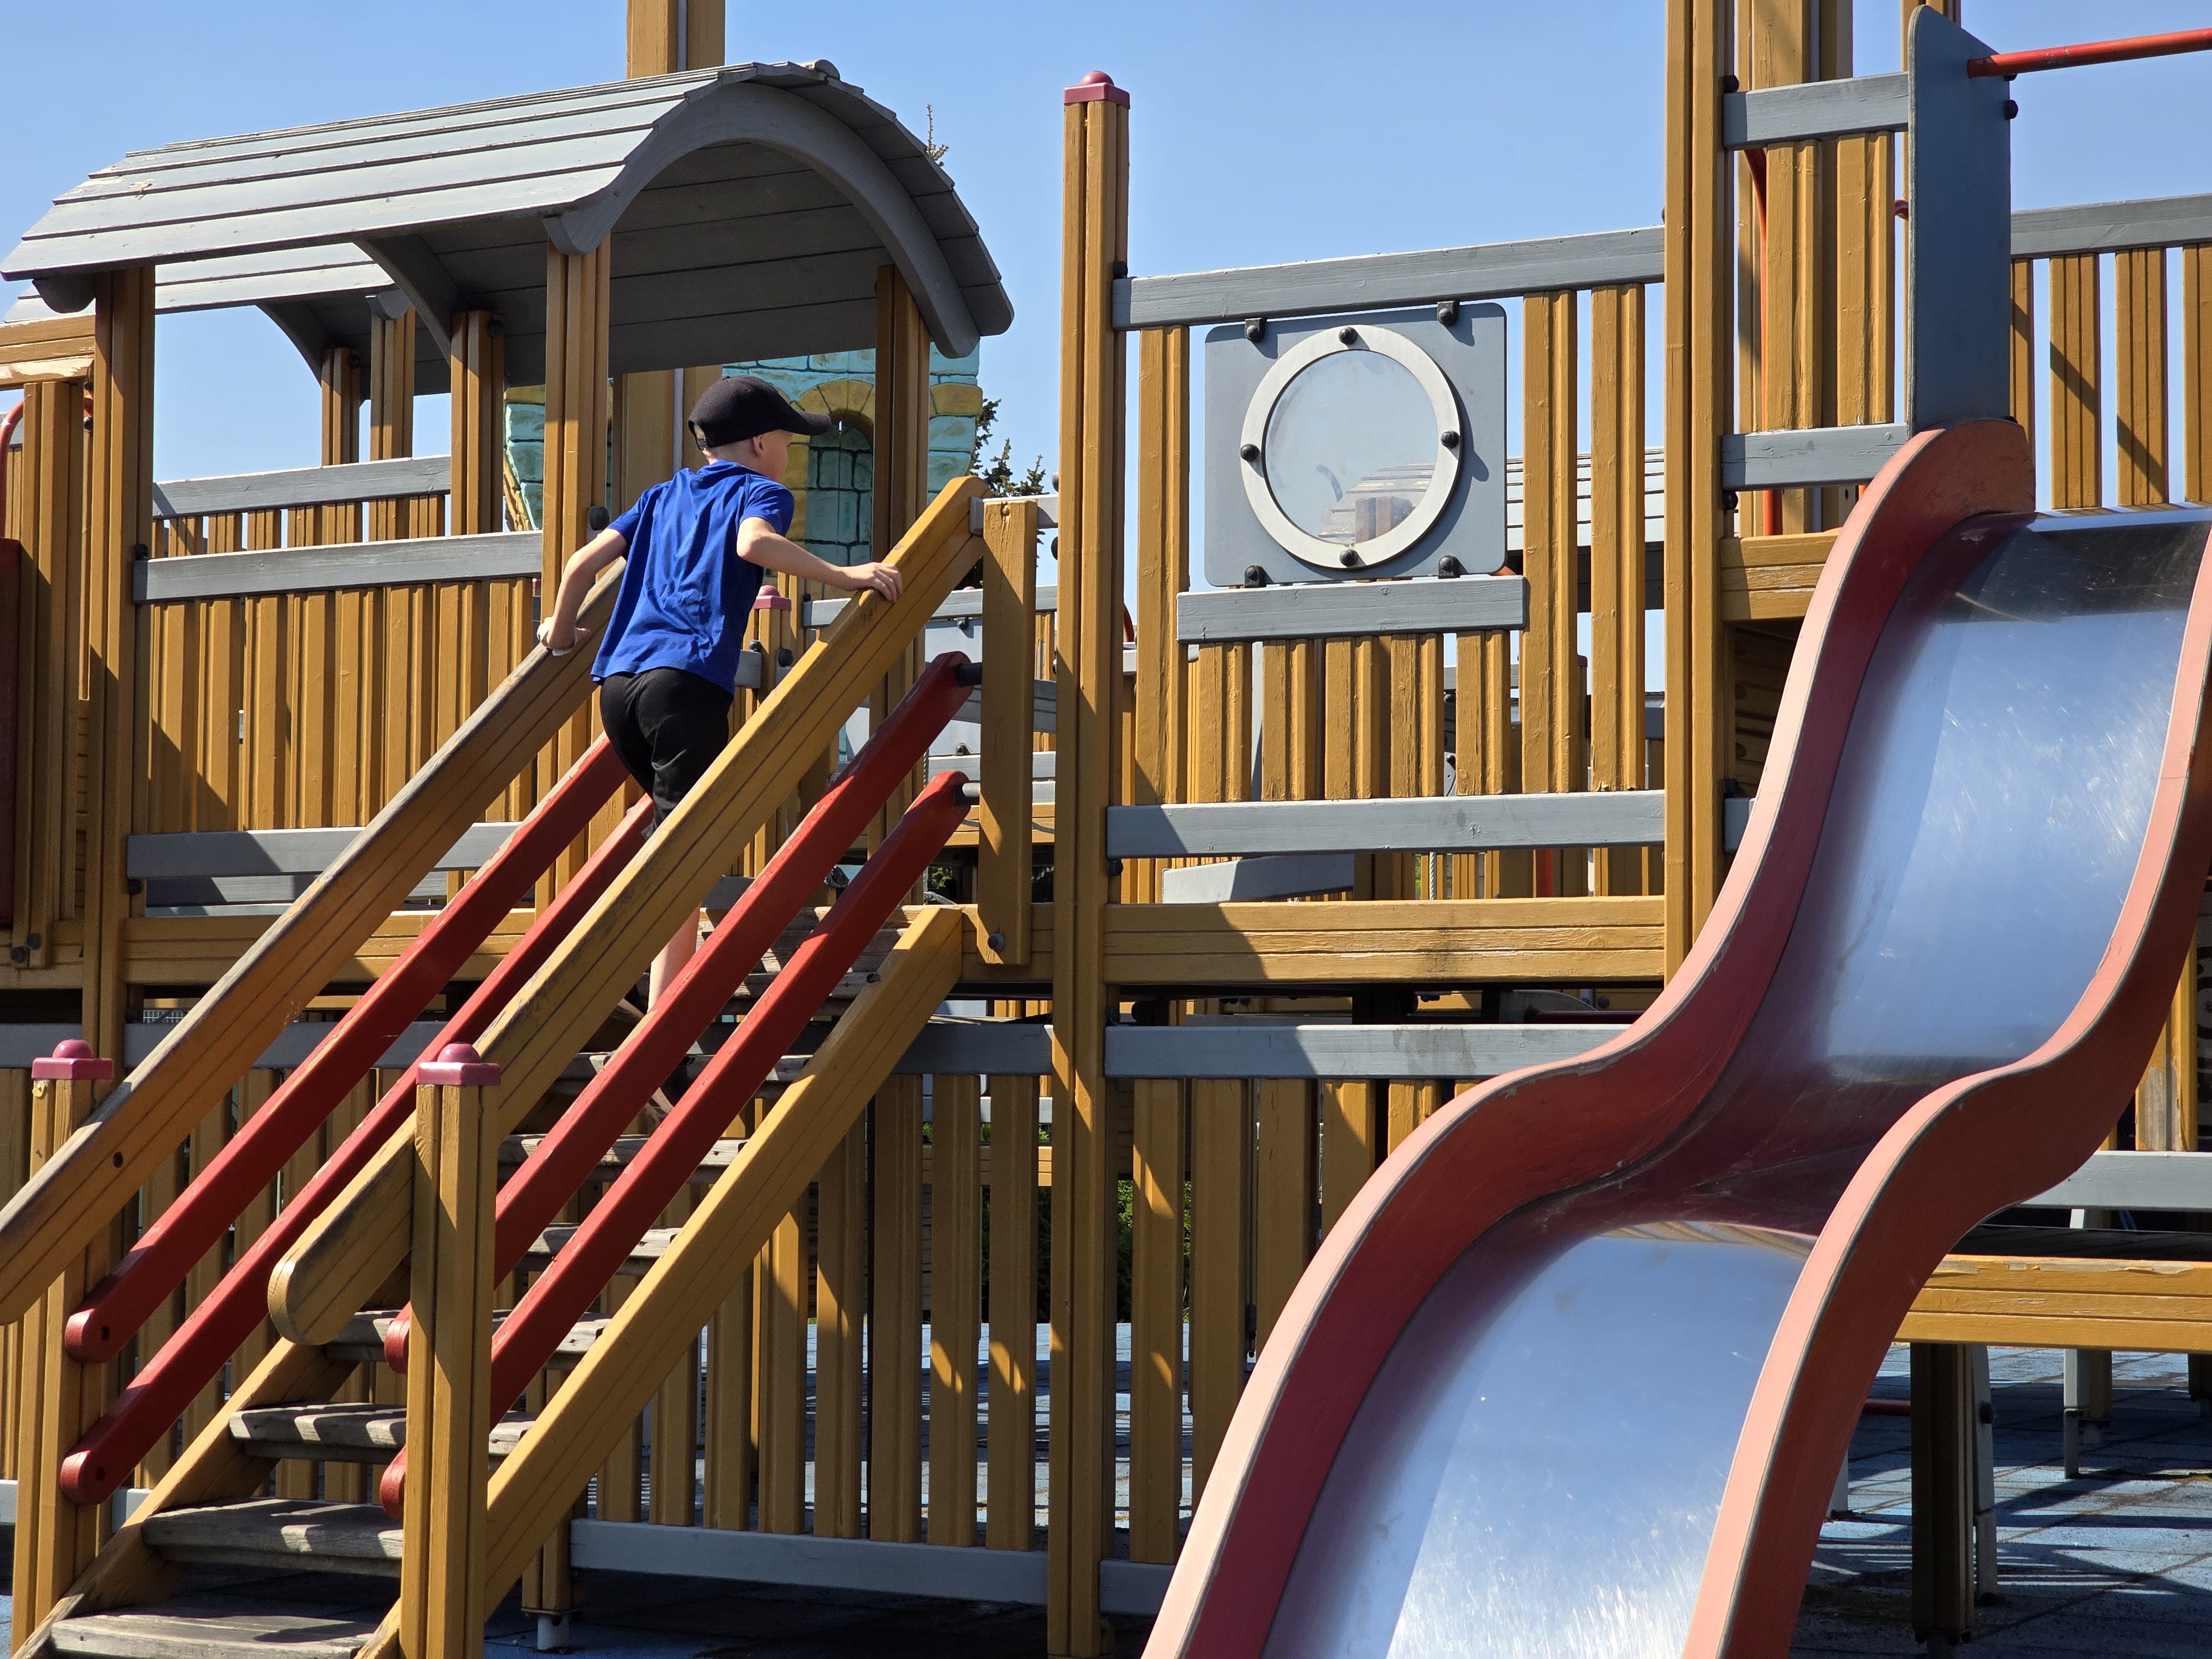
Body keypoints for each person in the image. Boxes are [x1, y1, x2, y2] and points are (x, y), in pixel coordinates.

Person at [536, 374, 904, 1004]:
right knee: (687, 855)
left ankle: (636, 974)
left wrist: (563, 634)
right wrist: (846, 575)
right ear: (760, 443)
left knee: (672, 833)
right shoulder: (762, 491)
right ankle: (659, 1014)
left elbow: (579, 565)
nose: (788, 453)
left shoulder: (659, 496)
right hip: (685, 686)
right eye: (787, 440)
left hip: (618, 688)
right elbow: (752, 543)